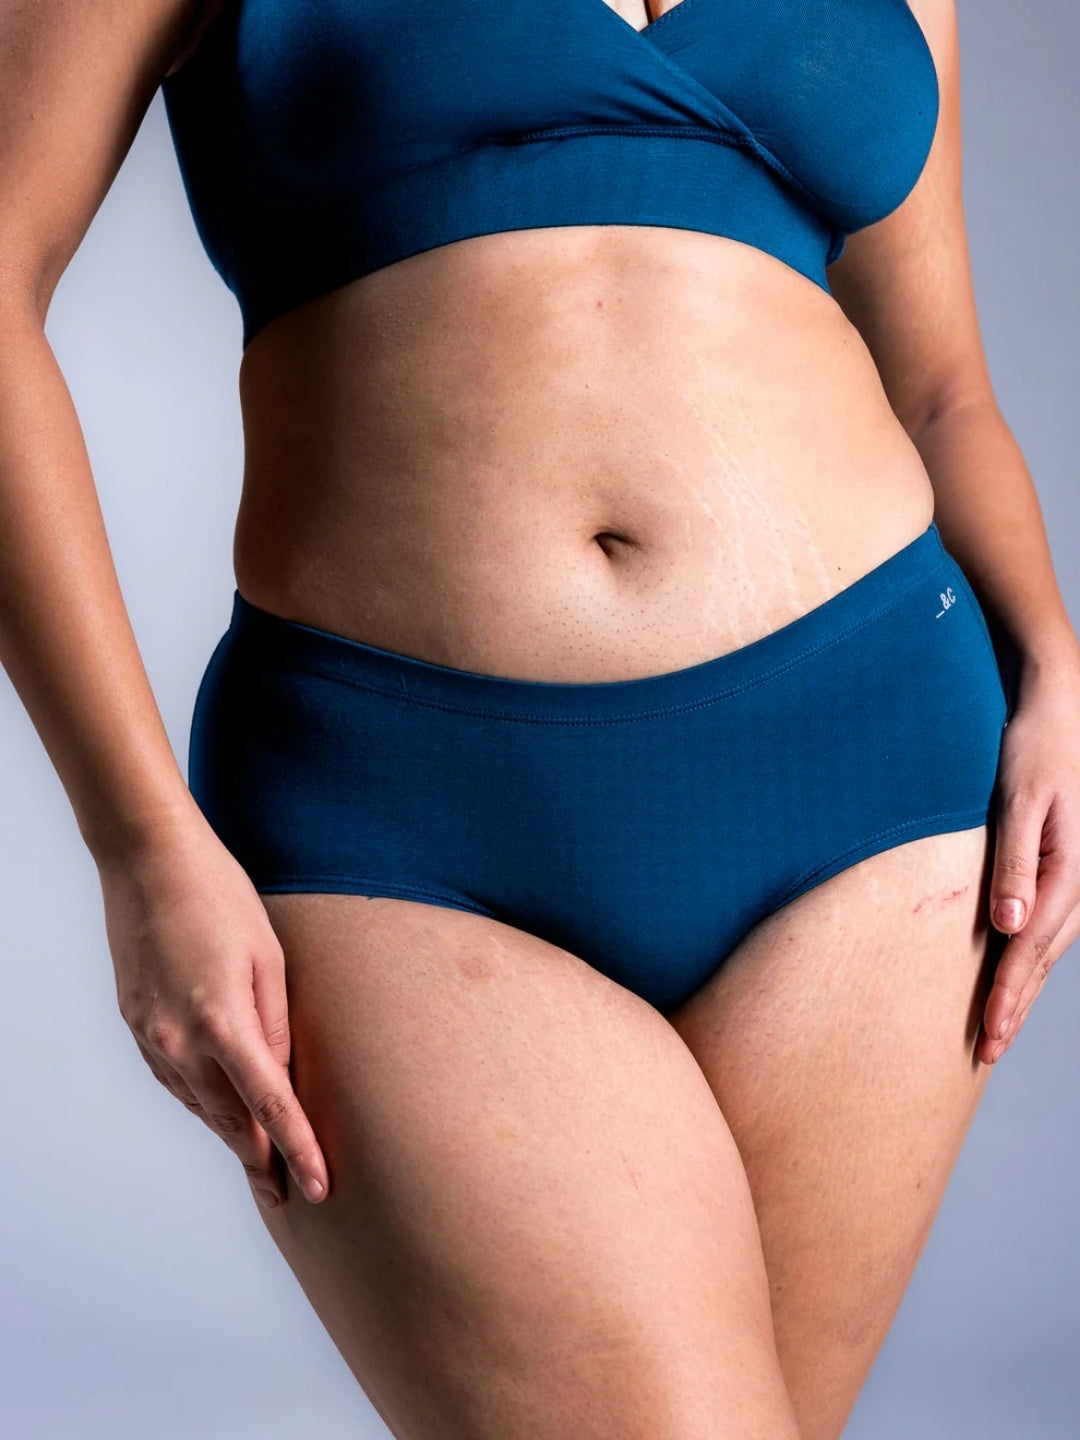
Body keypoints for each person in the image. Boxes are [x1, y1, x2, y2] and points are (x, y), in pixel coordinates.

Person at [2, 1, 1078, 1436]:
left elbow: (943, 387)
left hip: (876, 774)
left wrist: (1055, 666)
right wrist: (137, 843)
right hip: (403, 819)